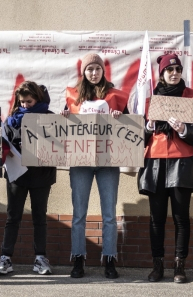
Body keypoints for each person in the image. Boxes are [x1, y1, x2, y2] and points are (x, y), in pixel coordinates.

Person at [138, 54, 193, 283]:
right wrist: (148, 128)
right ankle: (157, 265)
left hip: (182, 162)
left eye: (178, 70)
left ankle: (180, 267)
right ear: (161, 74)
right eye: (169, 70)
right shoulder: (150, 100)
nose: (174, 73)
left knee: (181, 219)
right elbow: (133, 137)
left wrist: (183, 130)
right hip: (155, 164)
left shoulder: (192, 98)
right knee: (156, 219)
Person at [61, 53, 128, 279]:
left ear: (103, 71)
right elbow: (65, 127)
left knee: (109, 214)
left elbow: (129, 127)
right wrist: (65, 116)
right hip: (81, 161)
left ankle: (109, 259)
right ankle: (78, 259)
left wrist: (121, 116)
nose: (94, 73)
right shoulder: (72, 96)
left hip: (108, 161)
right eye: (89, 69)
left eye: (97, 69)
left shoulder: (116, 96)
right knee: (79, 214)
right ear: (84, 72)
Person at [0, 81, 56, 276]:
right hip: (16, 175)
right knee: (13, 216)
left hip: (42, 175)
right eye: (22, 102)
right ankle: (5, 258)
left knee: (39, 217)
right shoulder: (11, 119)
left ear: (37, 98)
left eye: (29, 101)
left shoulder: (51, 118)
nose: (25, 106)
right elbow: (3, 143)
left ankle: (40, 258)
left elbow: (60, 143)